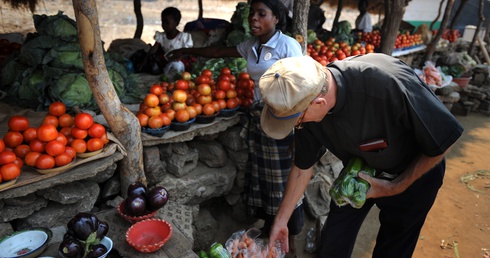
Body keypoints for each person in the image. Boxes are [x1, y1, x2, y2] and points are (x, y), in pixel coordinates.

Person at [258, 54, 464, 258]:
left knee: (394, 247)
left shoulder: (386, 84)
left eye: (297, 121)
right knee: (332, 241)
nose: (298, 126)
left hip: (414, 172)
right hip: (359, 169)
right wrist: (281, 220)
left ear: (319, 103)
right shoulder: (305, 99)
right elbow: (303, 166)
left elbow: (443, 140)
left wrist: (395, 187)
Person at [167, 0, 303, 256]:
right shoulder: (252, 46)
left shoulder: (288, 46)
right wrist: (185, 51)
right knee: (263, 177)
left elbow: (303, 87)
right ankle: (269, 228)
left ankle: (290, 244)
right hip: (260, 119)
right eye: (252, 14)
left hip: (284, 121)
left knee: (284, 182)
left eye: (261, 14)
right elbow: (220, 52)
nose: (254, 19)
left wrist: (300, 130)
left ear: (276, 18)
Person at [150, 7, 193, 78]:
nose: (164, 25)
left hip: (180, 61)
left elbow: (188, 52)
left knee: (176, 66)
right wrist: (146, 59)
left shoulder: (183, 37)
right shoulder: (161, 36)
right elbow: (154, 49)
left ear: (177, 23)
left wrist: (180, 56)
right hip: (166, 61)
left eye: (167, 22)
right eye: (162, 22)